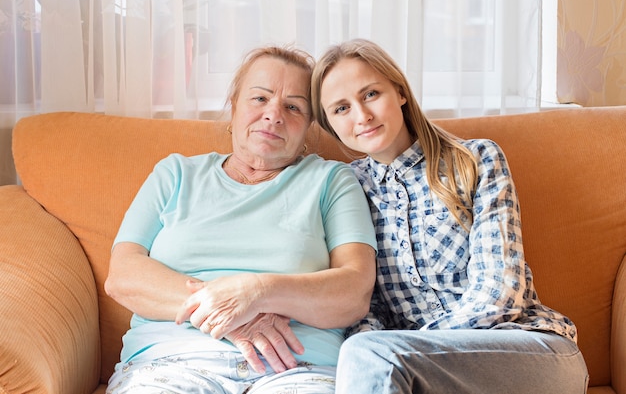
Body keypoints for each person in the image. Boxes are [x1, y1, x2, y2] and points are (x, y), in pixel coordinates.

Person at [311, 38, 589, 394]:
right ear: (330, 123)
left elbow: (501, 291)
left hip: (528, 348)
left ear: (399, 92)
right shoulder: (346, 190)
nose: (361, 116)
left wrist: (408, 347)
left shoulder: (476, 160)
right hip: (419, 370)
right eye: (341, 109)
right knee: (365, 352)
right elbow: (364, 308)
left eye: (370, 95)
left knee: (367, 355)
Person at [104, 45, 377, 394]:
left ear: (309, 124)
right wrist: (229, 311)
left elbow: (354, 291)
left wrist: (258, 292)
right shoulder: (175, 173)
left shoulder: (331, 180)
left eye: (293, 107)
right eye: (260, 98)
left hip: (297, 370)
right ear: (234, 105)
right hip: (170, 363)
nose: (274, 115)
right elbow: (123, 275)